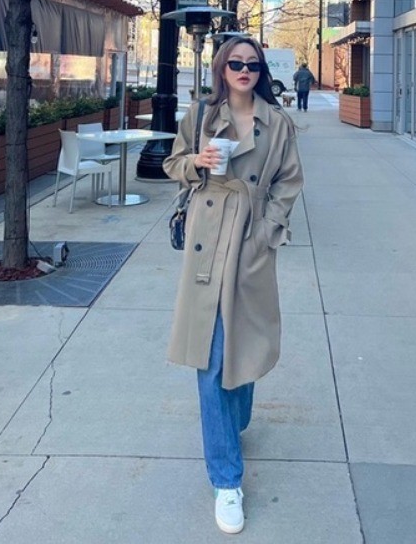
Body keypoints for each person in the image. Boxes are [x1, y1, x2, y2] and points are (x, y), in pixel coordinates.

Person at [163, 36, 304, 535]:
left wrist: (267, 230)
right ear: (222, 69)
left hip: (250, 242)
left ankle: (235, 420)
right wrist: (197, 163)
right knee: (212, 357)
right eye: (236, 63)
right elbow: (173, 164)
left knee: (243, 346)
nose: (244, 70)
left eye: (253, 64)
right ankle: (226, 480)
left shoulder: (277, 123)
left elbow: (289, 181)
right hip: (208, 240)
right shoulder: (201, 116)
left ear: (261, 72)